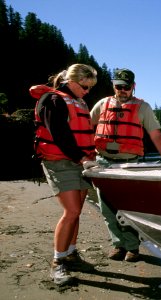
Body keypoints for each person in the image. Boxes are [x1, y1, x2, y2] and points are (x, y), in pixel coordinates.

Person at [90, 68, 161, 262]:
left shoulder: (143, 108)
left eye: (126, 87)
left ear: (133, 87)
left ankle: (133, 248)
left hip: (130, 164)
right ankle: (117, 245)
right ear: (113, 86)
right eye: (118, 86)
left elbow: (156, 134)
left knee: (128, 207)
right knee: (107, 208)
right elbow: (86, 126)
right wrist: (84, 155)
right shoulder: (102, 104)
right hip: (103, 164)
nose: (122, 90)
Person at [29, 64, 98, 285]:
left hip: (81, 161)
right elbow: (59, 134)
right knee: (72, 211)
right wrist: (82, 158)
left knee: (76, 213)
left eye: (90, 88)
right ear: (71, 81)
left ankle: (71, 253)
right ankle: (57, 263)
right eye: (84, 87)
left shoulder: (79, 101)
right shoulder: (53, 100)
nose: (87, 92)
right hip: (60, 162)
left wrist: (87, 158)